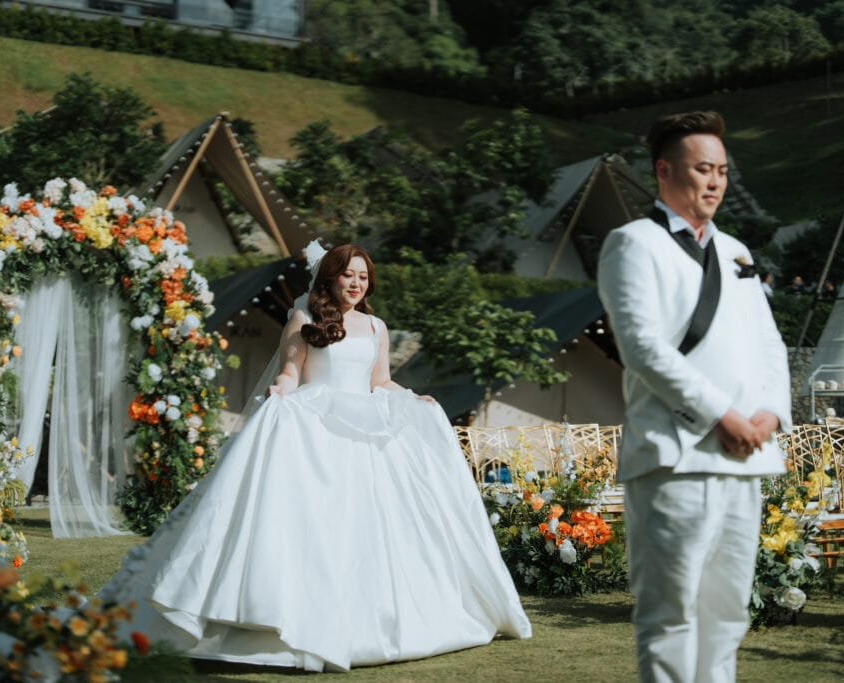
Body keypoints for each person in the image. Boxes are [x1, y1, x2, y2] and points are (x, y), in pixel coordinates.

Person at [101, 243, 531, 672]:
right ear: (330, 278)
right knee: (313, 521)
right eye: (349, 276)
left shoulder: (376, 327)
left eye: (363, 277)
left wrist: (414, 398)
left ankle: (380, 620)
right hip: (317, 428)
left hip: (368, 435)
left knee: (374, 527)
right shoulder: (304, 317)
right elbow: (291, 371)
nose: (356, 284)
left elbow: (380, 381)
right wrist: (281, 391)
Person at [597, 111, 790, 683]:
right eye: (703, 169)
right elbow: (642, 348)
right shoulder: (631, 243)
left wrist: (769, 415)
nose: (715, 182)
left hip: (746, 454)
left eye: (723, 171)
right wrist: (722, 415)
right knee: (670, 614)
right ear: (663, 170)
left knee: (728, 615)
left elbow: (770, 345)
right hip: (675, 454)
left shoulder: (736, 251)